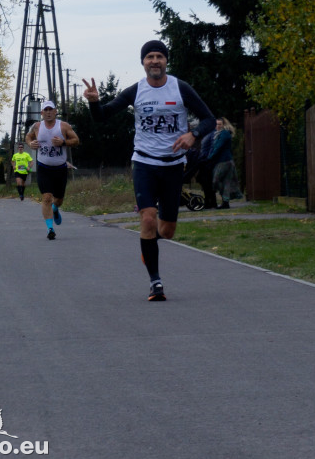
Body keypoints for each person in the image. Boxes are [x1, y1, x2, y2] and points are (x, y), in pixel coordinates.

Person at [82, 40, 215, 301]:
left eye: (159, 57)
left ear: (166, 61)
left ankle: (148, 240)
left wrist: (193, 135)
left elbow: (209, 119)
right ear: (143, 63)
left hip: (173, 165)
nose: (155, 61)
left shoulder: (180, 88)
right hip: (143, 162)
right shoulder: (136, 91)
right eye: (150, 57)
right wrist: (95, 103)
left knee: (166, 231)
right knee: (147, 218)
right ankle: (156, 283)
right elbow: (102, 116)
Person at [25, 100, 80, 240]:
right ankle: (50, 229)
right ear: (42, 113)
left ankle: (55, 209)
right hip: (43, 168)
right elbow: (28, 136)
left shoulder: (63, 126)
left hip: (60, 169)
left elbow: (76, 140)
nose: (49, 112)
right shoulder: (37, 126)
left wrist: (63, 142)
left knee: (59, 200)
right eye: (46, 110)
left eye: (51, 109)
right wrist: (30, 143)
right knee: (46, 198)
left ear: (56, 111)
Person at [208, 117, 243, 209]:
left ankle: (225, 199)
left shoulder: (224, 134)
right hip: (226, 161)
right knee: (226, 182)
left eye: (219, 124)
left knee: (216, 180)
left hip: (224, 161)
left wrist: (209, 158)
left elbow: (218, 147)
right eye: (216, 124)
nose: (217, 126)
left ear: (223, 125)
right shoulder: (219, 134)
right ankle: (225, 202)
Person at [196, 128, 217, 209]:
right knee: (205, 182)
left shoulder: (212, 133)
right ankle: (210, 201)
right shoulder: (207, 133)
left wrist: (208, 158)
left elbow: (212, 146)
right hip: (204, 160)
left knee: (207, 182)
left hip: (206, 161)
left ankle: (211, 201)